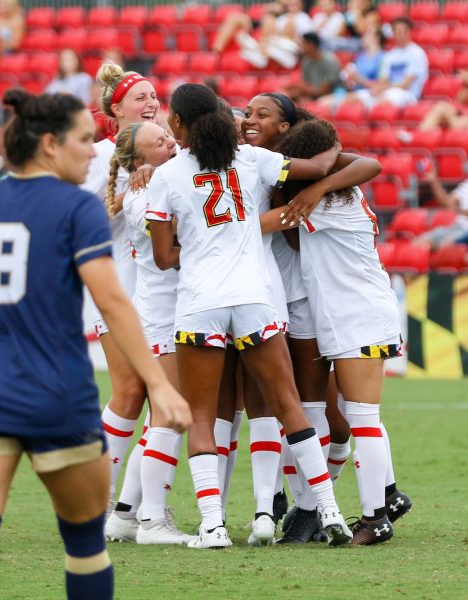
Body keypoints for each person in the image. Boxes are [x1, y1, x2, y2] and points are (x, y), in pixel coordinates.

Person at [0, 89, 190, 599]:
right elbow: (112, 301)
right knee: (86, 545)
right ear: (49, 143)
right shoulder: (75, 208)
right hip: (56, 397)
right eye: (85, 141)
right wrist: (161, 384)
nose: (94, 152)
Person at [146, 83, 352, 549]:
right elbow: (320, 166)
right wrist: (333, 143)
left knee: (202, 416)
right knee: (287, 405)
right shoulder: (251, 158)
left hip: (201, 300)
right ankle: (331, 512)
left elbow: (163, 257)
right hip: (256, 296)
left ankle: (214, 526)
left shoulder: (167, 175)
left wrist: (197, 245)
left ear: (177, 123)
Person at [243, 92, 412, 542]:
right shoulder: (338, 195)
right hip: (350, 312)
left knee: (360, 417)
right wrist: (325, 164)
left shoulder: (318, 206)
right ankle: (370, 504)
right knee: (351, 414)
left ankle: (375, 517)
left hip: (356, 315)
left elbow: (263, 224)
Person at [105, 121, 195, 545]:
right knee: (167, 414)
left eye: (168, 135)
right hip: (162, 316)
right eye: (159, 142)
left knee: (164, 416)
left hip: (173, 312)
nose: (171, 142)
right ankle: (152, 520)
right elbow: (174, 244)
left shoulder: (168, 176)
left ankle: (125, 514)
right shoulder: (140, 196)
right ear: (139, 162)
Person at [83, 62, 162, 541]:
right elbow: (74, 214)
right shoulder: (96, 156)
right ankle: (94, 502)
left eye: (155, 96)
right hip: (116, 289)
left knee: (158, 400)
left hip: (160, 290)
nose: (151, 103)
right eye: (140, 97)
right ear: (116, 109)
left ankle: (133, 510)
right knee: (129, 392)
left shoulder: (168, 154)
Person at [350, 17, 428, 109]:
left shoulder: (417, 53)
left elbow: (405, 85)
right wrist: (377, 88)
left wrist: (383, 88)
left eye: (402, 31)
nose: (400, 34)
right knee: (353, 99)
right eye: (396, 31)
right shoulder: (389, 56)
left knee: (381, 102)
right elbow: (383, 80)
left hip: (407, 95)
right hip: (388, 90)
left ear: (409, 32)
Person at [283, 32, 342, 102]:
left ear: (311, 45)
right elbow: (305, 84)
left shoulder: (330, 61)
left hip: (333, 95)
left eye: (303, 43)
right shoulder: (307, 61)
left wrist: (299, 92)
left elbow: (324, 91)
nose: (301, 46)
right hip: (313, 94)